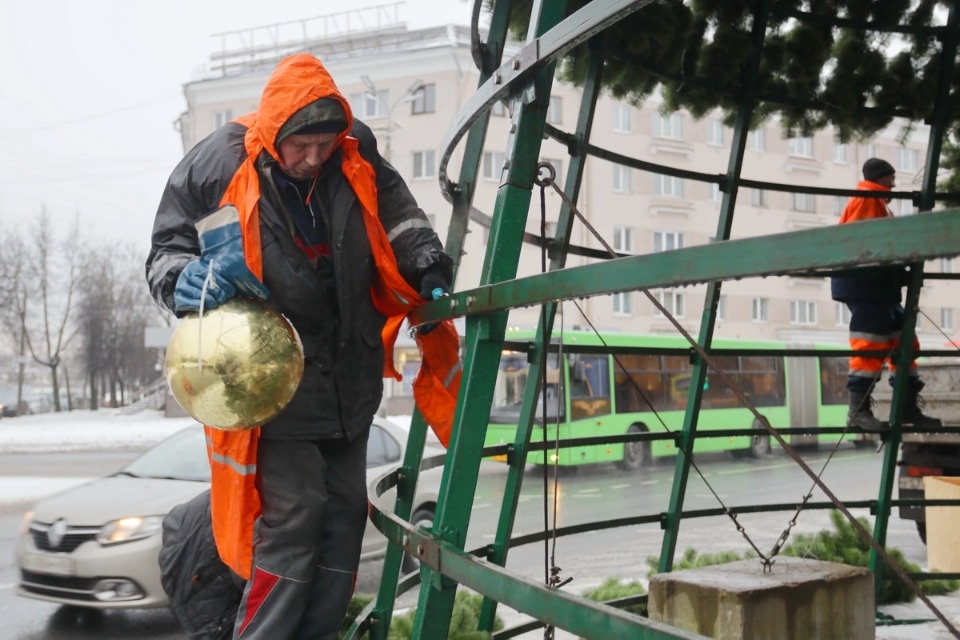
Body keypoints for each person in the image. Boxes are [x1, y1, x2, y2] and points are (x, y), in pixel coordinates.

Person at [146, 52, 459, 639]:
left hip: (350, 374)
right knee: (294, 517)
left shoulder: (353, 148)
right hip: (271, 380)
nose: (313, 158)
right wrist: (180, 279)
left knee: (344, 515)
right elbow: (167, 246)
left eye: (323, 145)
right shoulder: (217, 162)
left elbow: (397, 213)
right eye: (301, 146)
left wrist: (424, 263)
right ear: (274, 133)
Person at [831, 157, 942, 433]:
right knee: (871, 345)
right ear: (879, 178)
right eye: (890, 177)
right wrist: (899, 268)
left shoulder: (874, 202)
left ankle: (900, 407)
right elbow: (871, 248)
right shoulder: (869, 198)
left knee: (902, 341)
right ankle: (860, 412)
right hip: (868, 287)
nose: (894, 183)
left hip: (876, 288)